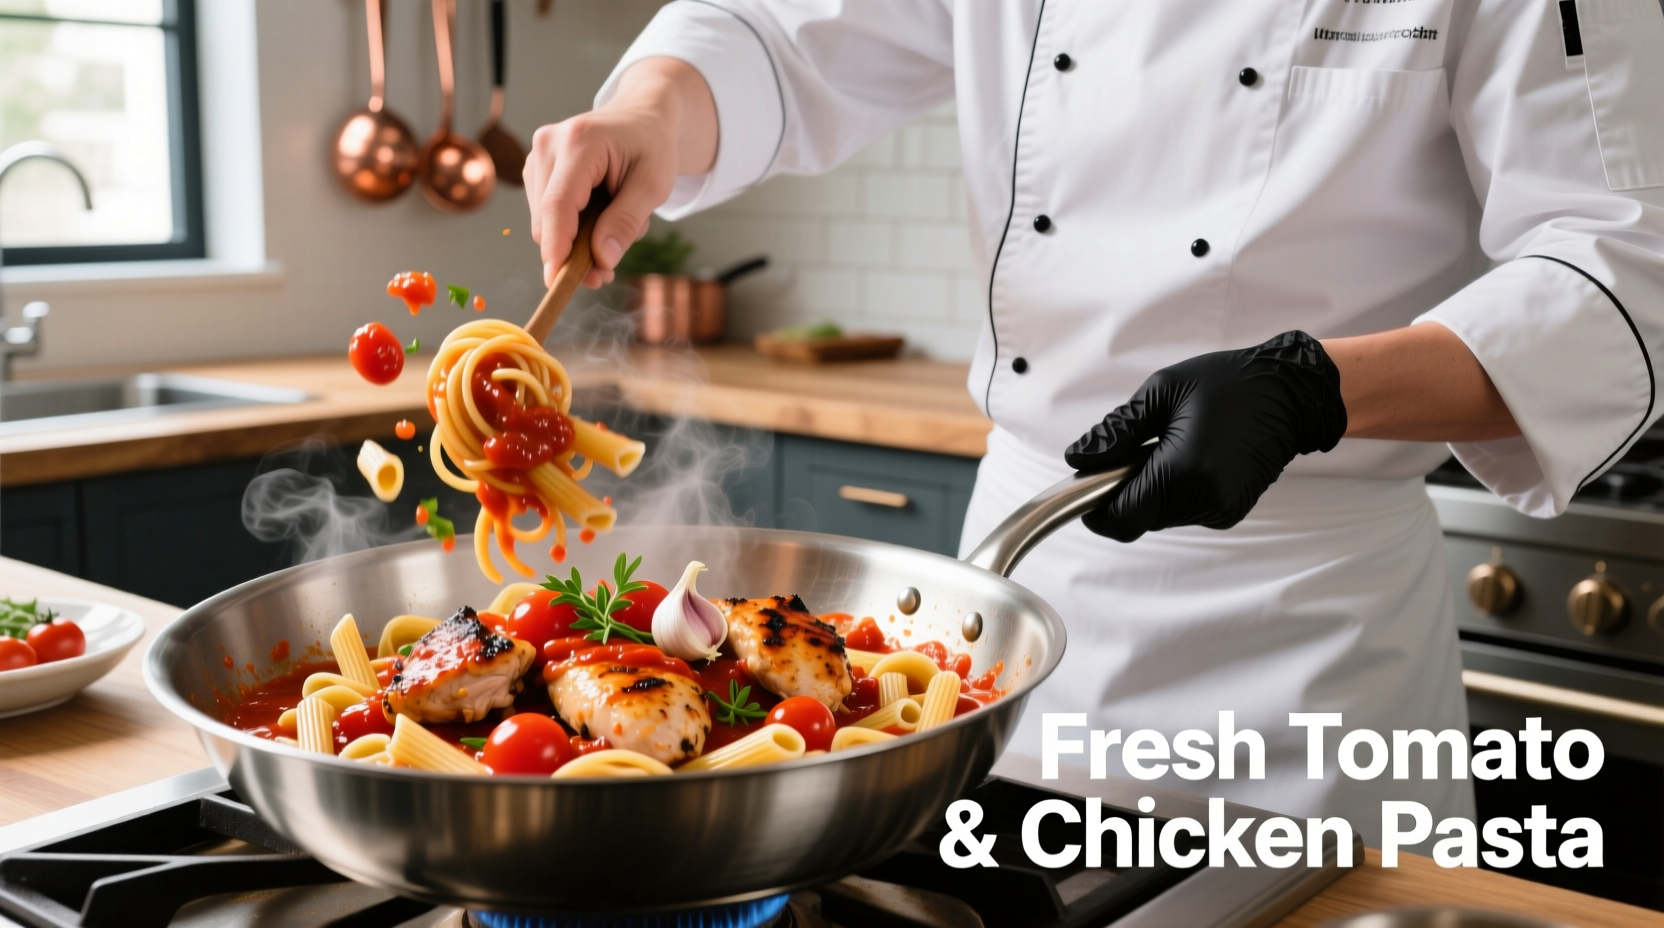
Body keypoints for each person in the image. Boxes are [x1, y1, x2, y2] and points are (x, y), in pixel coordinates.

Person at [522, 2, 1664, 843]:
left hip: (1307, 652)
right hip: (1015, 623)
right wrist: (646, 116)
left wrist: (1311, 387)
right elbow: (779, 33)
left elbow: (1619, 268)